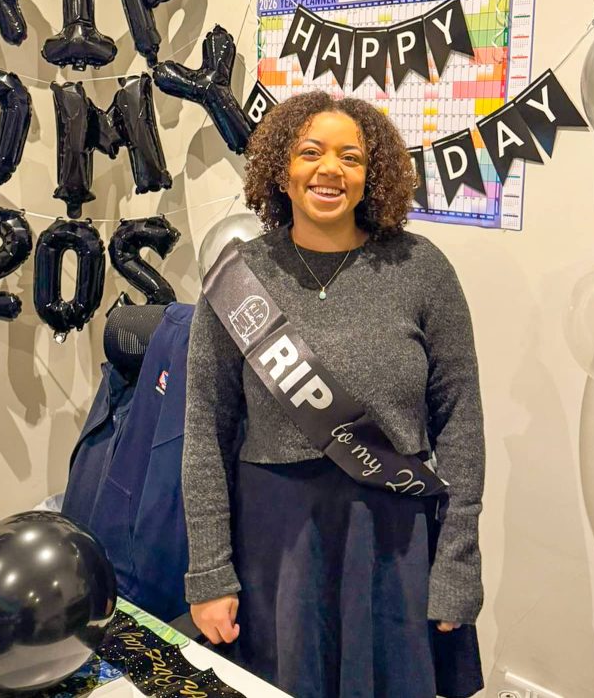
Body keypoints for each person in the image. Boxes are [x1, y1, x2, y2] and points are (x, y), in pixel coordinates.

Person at [182, 91, 485, 698]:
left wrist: (456, 563)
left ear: (372, 175)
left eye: (351, 157)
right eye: (311, 152)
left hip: (395, 536)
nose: (330, 170)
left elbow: (462, 424)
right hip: (275, 539)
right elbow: (204, 430)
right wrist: (210, 572)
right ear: (281, 170)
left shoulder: (422, 269)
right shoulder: (240, 277)